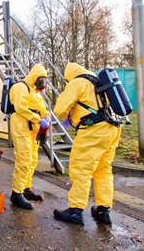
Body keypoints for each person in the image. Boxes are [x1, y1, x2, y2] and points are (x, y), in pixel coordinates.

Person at [52, 63, 122, 225]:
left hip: (93, 131)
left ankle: (75, 211)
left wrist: (69, 114)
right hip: (111, 128)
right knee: (103, 170)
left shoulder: (78, 82)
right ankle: (103, 210)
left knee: (81, 169)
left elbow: (60, 109)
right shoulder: (98, 81)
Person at [9, 63, 51, 209]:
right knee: (24, 159)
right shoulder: (21, 87)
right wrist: (37, 118)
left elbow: (42, 108)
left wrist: (47, 117)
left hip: (33, 130)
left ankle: (26, 188)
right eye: (41, 78)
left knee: (32, 159)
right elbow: (20, 107)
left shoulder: (35, 91)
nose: (43, 82)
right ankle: (16, 193)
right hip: (21, 127)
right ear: (35, 76)